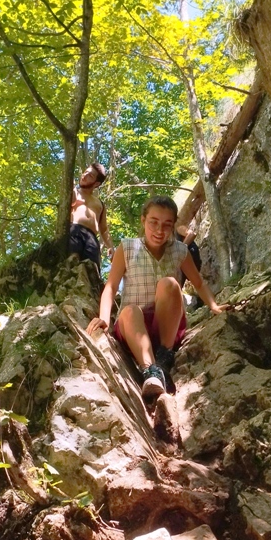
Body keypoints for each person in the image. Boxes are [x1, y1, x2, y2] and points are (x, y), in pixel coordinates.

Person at [86, 195, 229, 398]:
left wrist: (214, 306)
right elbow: (111, 287)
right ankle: (152, 371)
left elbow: (198, 283)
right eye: (153, 222)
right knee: (130, 310)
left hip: (166, 327)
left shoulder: (180, 251)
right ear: (143, 220)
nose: (159, 230)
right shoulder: (127, 248)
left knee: (169, 284)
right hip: (133, 327)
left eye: (166, 225)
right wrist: (104, 318)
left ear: (173, 226)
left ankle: (163, 357)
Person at [68, 162, 114, 268]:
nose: (85, 175)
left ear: (96, 184)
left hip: (91, 238)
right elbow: (71, 201)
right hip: (74, 232)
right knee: (71, 264)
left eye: (90, 175)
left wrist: (110, 247)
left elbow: (104, 229)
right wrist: (71, 185)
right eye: (85, 172)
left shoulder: (100, 204)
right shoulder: (75, 193)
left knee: (92, 269)